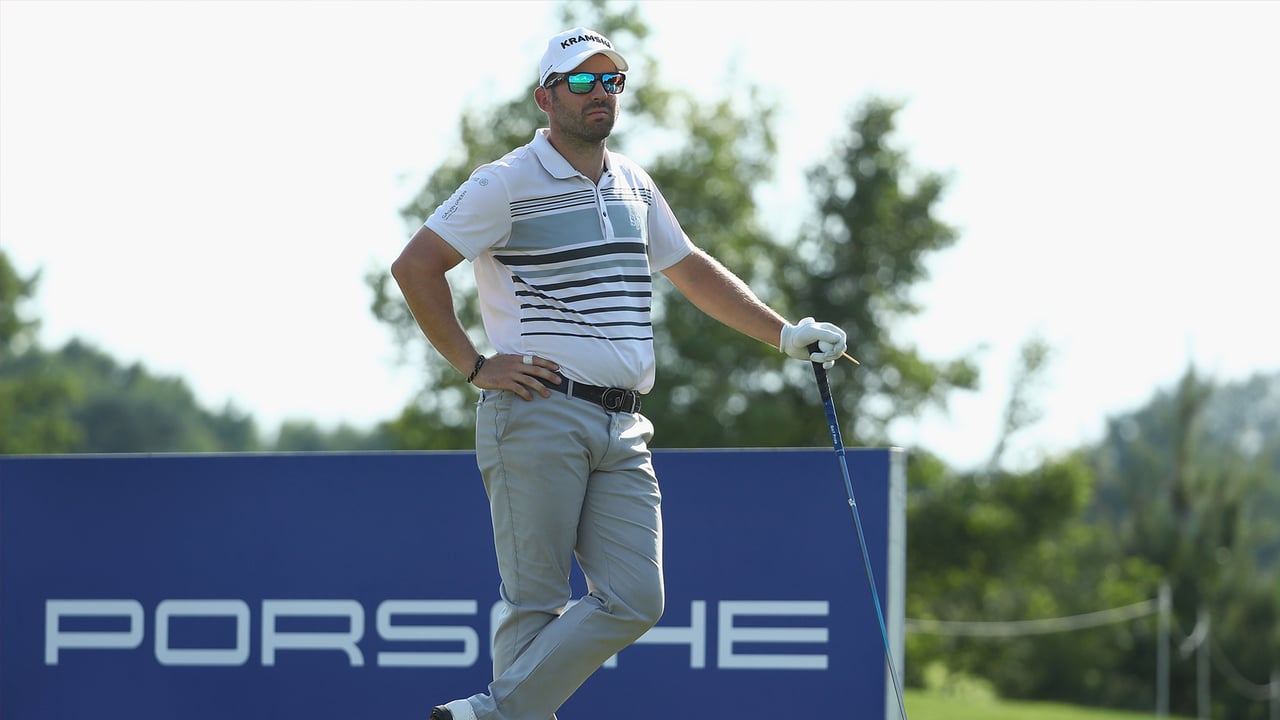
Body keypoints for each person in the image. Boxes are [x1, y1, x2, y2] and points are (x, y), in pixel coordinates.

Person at [391, 26, 847, 720]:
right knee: (535, 603)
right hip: (538, 409)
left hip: (625, 421)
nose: (600, 92)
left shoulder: (632, 181)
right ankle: (502, 712)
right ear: (547, 97)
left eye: (611, 80)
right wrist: (475, 364)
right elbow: (415, 265)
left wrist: (784, 335)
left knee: (638, 596)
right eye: (581, 80)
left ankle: (493, 711)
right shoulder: (506, 182)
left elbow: (691, 268)